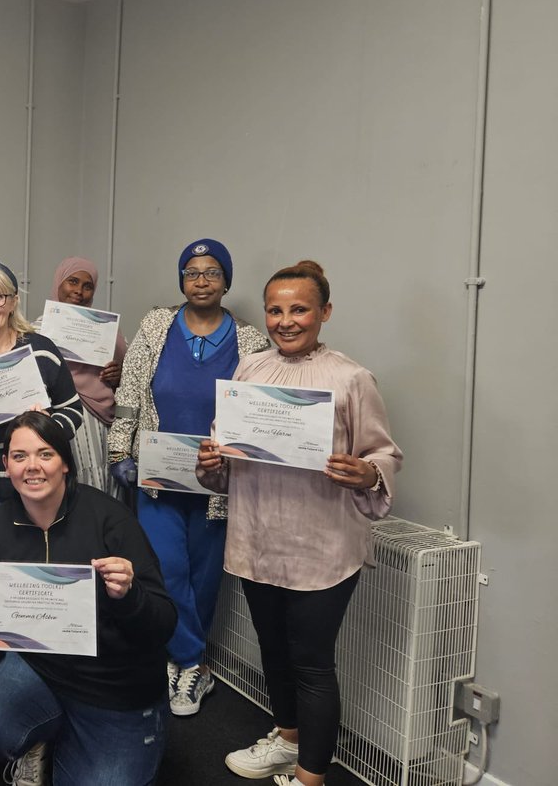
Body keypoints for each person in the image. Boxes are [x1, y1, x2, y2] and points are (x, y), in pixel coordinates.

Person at [196, 260, 402, 786]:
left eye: (299, 309)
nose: (285, 320)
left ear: (324, 312)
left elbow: (384, 454)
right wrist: (212, 463)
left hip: (322, 546)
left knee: (311, 662)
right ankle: (287, 740)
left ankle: (311, 775)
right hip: (257, 536)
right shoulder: (248, 371)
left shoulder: (351, 378)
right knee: (273, 648)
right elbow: (226, 453)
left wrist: (366, 472)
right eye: (275, 310)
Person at [0, 412, 176, 786]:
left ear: (65, 463)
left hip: (116, 689)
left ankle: (71, 742)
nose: (32, 467)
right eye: (20, 457)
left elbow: (164, 624)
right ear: (6, 465)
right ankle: (43, 737)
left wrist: (128, 595)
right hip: (44, 672)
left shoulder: (110, 520)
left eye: (45, 454)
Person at [105, 238, 269, 716]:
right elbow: (132, 390)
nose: (201, 280)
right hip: (157, 475)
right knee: (166, 568)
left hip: (217, 483)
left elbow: (256, 414)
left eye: (212, 272)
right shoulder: (156, 325)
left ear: (226, 281)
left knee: (204, 575)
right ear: (182, 279)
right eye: (192, 272)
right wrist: (120, 449)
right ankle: (189, 660)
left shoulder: (250, 341)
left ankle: (185, 664)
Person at [0, 258, 84, 533]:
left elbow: (73, 411)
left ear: (13, 301)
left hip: (42, 485)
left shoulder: (42, 350)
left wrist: (48, 425)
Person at [34, 257, 126, 496]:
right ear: (58, 283)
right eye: (72, 282)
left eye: (88, 286)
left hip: (98, 423)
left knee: (101, 487)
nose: (79, 291)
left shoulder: (109, 332)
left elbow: (131, 380)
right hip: (57, 418)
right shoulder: (37, 332)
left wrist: (119, 376)